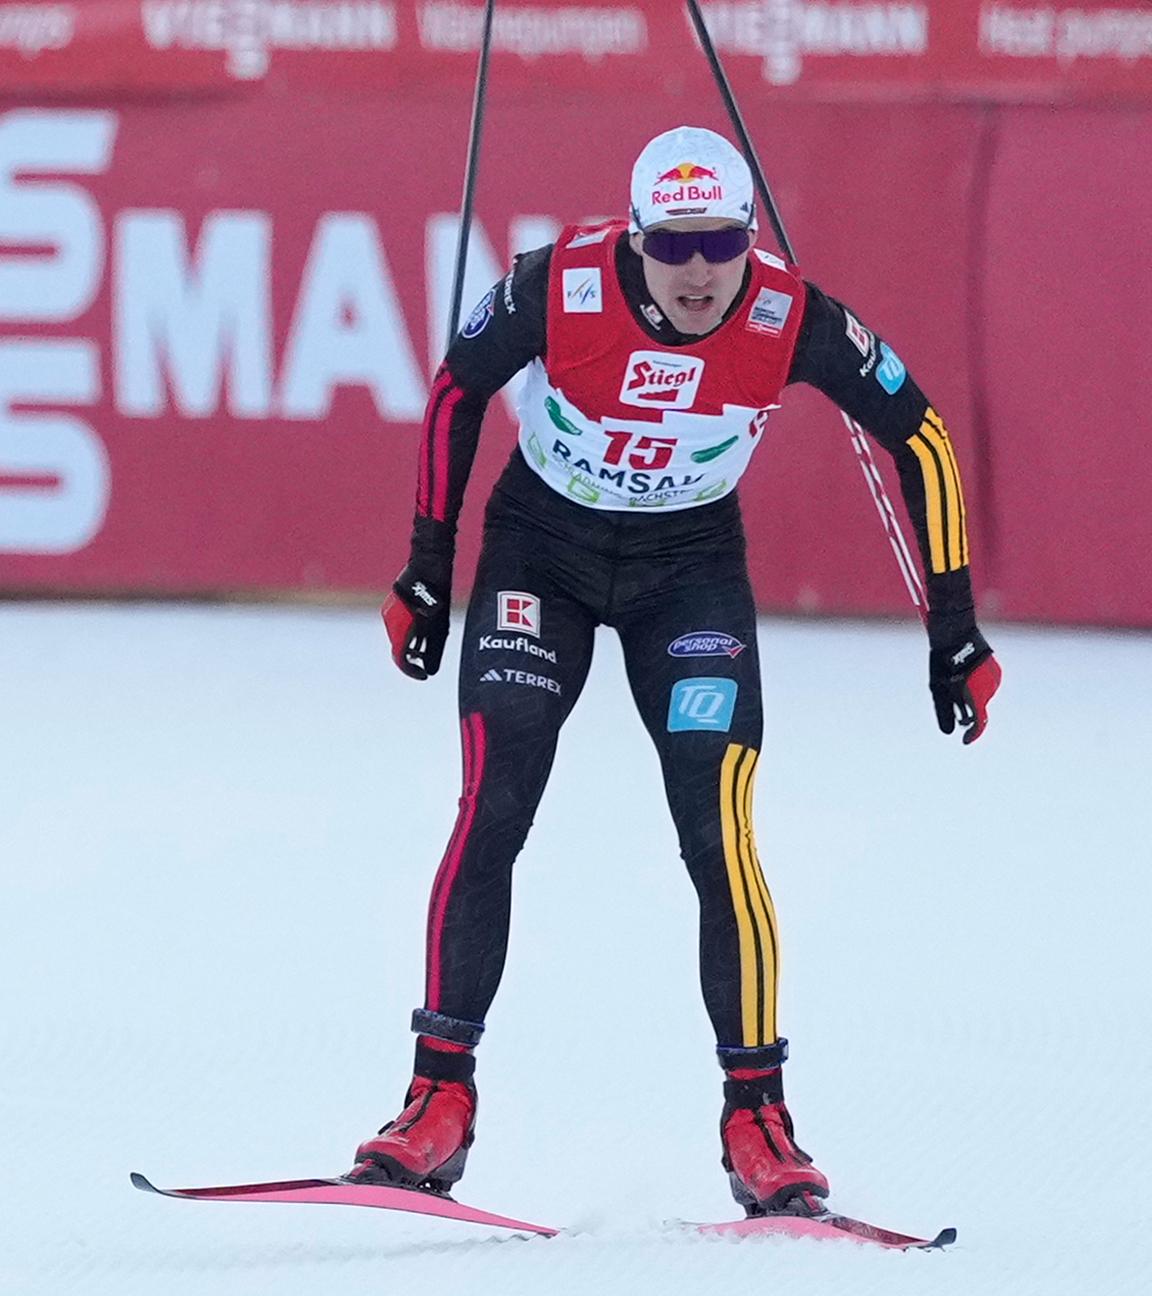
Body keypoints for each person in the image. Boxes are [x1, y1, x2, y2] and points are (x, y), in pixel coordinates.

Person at [349, 125, 1001, 1215]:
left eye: (722, 244)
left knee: (718, 826)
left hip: (685, 573)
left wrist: (957, 626)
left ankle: (759, 1119)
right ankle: (436, 1102)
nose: (700, 272)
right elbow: (457, 392)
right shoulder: (555, 284)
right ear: (638, 235)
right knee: (494, 803)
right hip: (540, 557)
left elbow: (920, 434)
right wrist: (425, 571)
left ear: (750, 236)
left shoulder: (789, 312)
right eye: (675, 244)